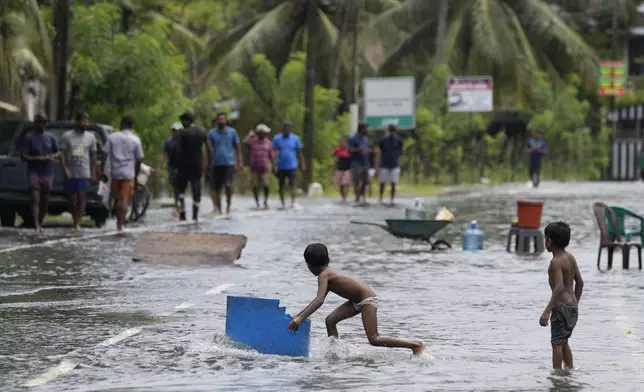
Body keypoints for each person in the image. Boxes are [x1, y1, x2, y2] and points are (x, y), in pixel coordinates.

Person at [288, 243, 425, 355]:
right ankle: (334, 352)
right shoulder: (328, 273)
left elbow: (319, 300)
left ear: (309, 265)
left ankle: (415, 345)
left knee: (374, 339)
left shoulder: (324, 275)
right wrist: (299, 315)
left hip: (367, 301)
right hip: (357, 301)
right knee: (330, 320)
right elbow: (317, 299)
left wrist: (301, 318)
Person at [539, 222, 584, 370]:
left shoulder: (555, 262)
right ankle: (569, 371)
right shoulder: (570, 257)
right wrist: (575, 303)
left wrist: (547, 311)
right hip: (572, 306)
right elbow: (580, 282)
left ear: (549, 241)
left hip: (561, 308)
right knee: (563, 341)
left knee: (556, 343)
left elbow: (558, 288)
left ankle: (557, 376)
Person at [102, 116, 144, 233]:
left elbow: (104, 154)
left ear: (122, 124)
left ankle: (117, 224)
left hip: (115, 172)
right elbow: (139, 159)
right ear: (131, 126)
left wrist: (101, 170)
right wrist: (136, 174)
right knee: (124, 199)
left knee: (117, 199)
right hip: (128, 173)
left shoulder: (112, 137)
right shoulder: (135, 140)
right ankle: (120, 225)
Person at [60, 112, 97, 230]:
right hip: (71, 171)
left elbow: (93, 155)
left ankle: (78, 222)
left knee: (81, 196)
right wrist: (65, 168)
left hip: (84, 171)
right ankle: (75, 217)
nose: (86, 124)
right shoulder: (67, 136)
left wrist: (93, 172)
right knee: (71, 199)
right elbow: (62, 153)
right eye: (83, 121)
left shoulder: (91, 137)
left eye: (87, 121)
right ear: (77, 122)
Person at [21, 114, 59, 232]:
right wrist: (36, 158)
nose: (42, 124)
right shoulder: (29, 137)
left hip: (47, 172)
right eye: (39, 122)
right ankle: (36, 224)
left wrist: (51, 156)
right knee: (35, 197)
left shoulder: (51, 137)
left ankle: (40, 221)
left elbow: (58, 152)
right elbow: (23, 155)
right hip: (34, 171)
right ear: (35, 123)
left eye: (44, 122)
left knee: (45, 199)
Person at [207, 112, 242, 216]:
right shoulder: (211, 133)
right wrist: (206, 164)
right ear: (216, 121)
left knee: (228, 185)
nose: (221, 121)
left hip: (229, 163)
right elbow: (207, 150)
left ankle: (228, 207)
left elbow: (237, 147)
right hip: (215, 164)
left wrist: (239, 160)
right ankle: (218, 208)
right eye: (219, 119)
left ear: (226, 121)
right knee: (216, 188)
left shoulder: (232, 132)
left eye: (223, 119)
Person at [175, 112, 207, 221]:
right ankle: (195, 215)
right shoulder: (202, 132)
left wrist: (176, 165)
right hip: (197, 165)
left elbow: (178, 150)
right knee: (196, 189)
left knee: (181, 189)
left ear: (185, 121)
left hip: (183, 165)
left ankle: (183, 212)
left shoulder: (182, 133)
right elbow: (209, 149)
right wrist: (208, 163)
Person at [272, 120, 305, 209]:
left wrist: (302, 163)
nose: (286, 129)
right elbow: (274, 152)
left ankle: (293, 202)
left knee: (292, 184)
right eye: (285, 127)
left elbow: (299, 152)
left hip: (292, 165)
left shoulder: (295, 138)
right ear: (282, 128)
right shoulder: (277, 138)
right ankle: (282, 203)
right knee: (281, 185)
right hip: (281, 165)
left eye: (288, 127)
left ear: (290, 128)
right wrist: (274, 164)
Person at [243, 124, 274, 209]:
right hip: (254, 168)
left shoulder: (268, 142)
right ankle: (257, 202)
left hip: (264, 168)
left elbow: (271, 156)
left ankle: (265, 201)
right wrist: (249, 135)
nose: (265, 134)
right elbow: (244, 142)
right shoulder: (252, 141)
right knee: (255, 185)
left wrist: (273, 165)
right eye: (264, 132)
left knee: (266, 185)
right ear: (259, 133)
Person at [158, 122, 182, 217]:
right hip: (172, 167)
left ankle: (181, 206)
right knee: (175, 188)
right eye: (174, 131)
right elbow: (163, 155)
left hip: (183, 167)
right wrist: (160, 167)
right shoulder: (168, 142)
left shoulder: (184, 141)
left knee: (181, 188)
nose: (176, 132)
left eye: (178, 131)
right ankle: (177, 207)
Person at [377, 124, 404, 205]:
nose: (391, 132)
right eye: (390, 130)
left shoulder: (399, 140)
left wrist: (396, 156)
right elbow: (380, 151)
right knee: (382, 182)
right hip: (384, 164)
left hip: (394, 164)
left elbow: (400, 151)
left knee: (393, 183)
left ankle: (392, 199)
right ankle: (381, 197)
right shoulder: (383, 140)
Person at [348, 123, 370, 205]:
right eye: (365, 129)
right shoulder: (352, 138)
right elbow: (350, 150)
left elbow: (366, 148)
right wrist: (358, 149)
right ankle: (357, 199)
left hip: (365, 162)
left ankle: (362, 197)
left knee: (365, 181)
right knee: (357, 181)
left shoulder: (365, 138)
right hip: (356, 162)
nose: (367, 130)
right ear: (361, 129)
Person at [331, 137, 352, 202]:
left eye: (344, 142)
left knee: (345, 183)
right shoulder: (338, 149)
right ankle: (343, 197)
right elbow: (332, 154)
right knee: (340, 184)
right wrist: (334, 152)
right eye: (341, 142)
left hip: (347, 168)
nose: (343, 143)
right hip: (339, 168)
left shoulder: (349, 149)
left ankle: (345, 197)